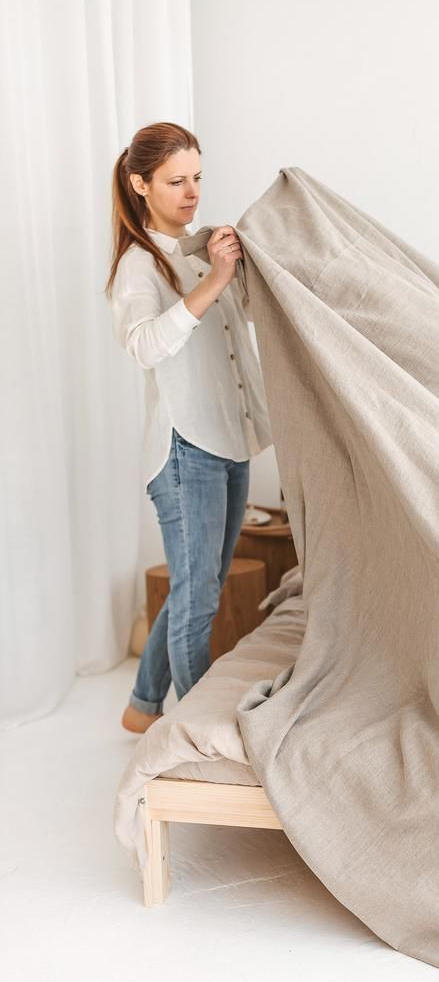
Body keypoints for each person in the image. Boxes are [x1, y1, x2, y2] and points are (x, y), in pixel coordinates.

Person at [106, 121, 271, 733]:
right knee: (198, 601)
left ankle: (142, 706)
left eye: (197, 177)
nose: (191, 191)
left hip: (229, 439)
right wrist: (217, 281)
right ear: (140, 184)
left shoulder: (204, 253)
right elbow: (145, 345)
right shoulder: (138, 265)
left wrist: (241, 267)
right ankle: (196, 737)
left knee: (198, 588)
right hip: (185, 450)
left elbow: (245, 319)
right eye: (176, 181)